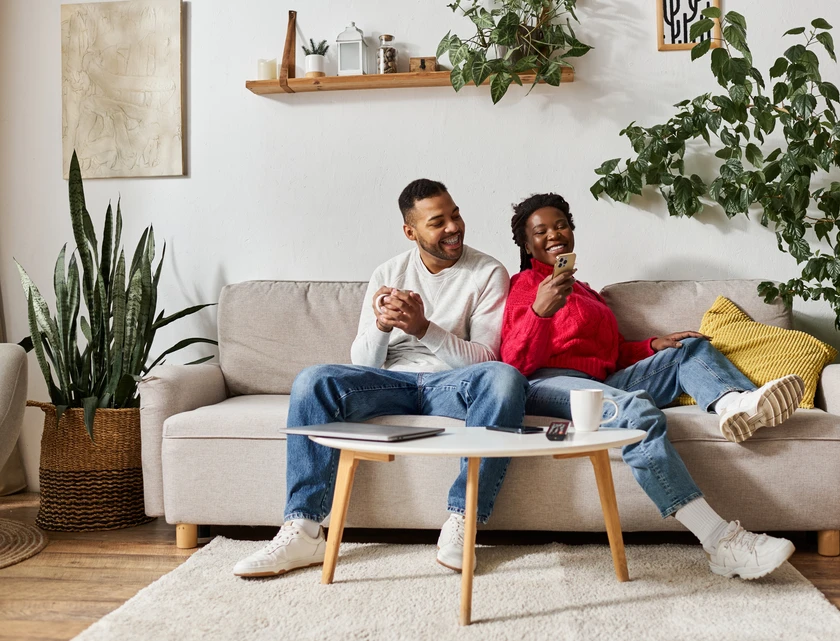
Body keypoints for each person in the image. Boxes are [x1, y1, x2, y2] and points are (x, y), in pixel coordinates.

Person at [501, 192, 805, 580]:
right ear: (527, 246)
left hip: (601, 381)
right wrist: (540, 312)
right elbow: (513, 362)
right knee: (636, 412)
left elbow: (606, 355)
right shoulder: (526, 285)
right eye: (540, 231)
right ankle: (719, 541)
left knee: (689, 347)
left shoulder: (586, 292)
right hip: (548, 384)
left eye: (560, 224)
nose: (554, 234)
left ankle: (734, 406)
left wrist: (650, 346)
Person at [234, 179, 528, 577]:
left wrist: (425, 328)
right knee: (312, 380)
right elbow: (362, 362)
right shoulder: (389, 271)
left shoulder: (488, 272)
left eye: (455, 214)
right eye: (437, 222)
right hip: (391, 383)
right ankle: (303, 528)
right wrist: (382, 325)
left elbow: (486, 357)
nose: (453, 228)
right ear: (411, 231)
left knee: (505, 379)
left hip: (452, 385)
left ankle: (464, 520)